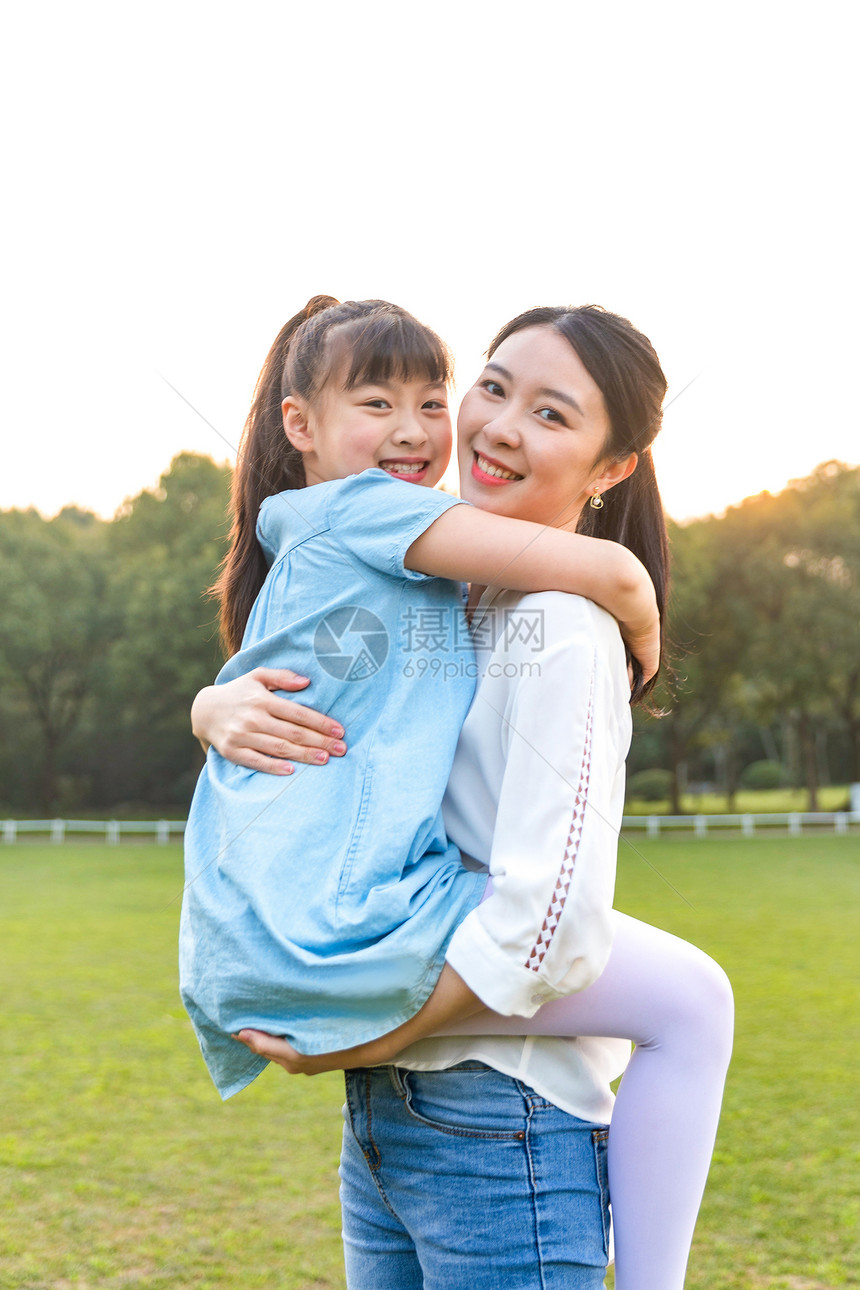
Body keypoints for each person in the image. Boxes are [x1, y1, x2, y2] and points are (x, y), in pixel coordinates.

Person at [189, 301, 734, 1288]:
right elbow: (314, 686)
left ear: (612, 467)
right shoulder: (431, 593)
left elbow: (549, 927)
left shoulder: (559, 630)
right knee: (693, 1000)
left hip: (496, 1117)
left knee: (696, 1000)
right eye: (491, 387)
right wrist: (216, 706)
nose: (493, 426)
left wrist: (369, 1030)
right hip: (400, 1121)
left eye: (551, 415)